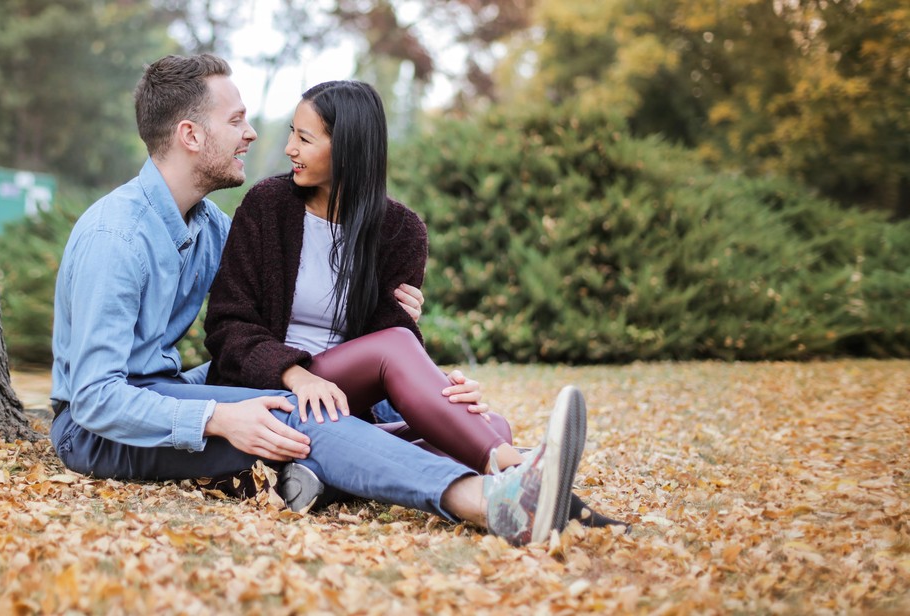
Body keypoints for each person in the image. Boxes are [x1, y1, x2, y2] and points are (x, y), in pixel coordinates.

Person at [49, 53, 585, 547]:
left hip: (166, 390)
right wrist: (216, 418)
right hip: (95, 429)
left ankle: (389, 469)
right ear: (190, 134)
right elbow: (96, 398)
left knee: (312, 410)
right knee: (295, 410)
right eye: (235, 121)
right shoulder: (115, 239)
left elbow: (269, 298)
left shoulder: (209, 227)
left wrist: (417, 360)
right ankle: (491, 500)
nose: (254, 135)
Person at [204, 80, 622, 527]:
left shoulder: (400, 231)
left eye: (304, 139)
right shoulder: (268, 206)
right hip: (269, 387)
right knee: (466, 420)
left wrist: (443, 389)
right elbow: (228, 324)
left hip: (344, 403)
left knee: (488, 421)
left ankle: (319, 476)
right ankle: (516, 469)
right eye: (293, 133)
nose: (289, 148)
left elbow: (388, 340)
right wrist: (298, 375)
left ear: (349, 147)